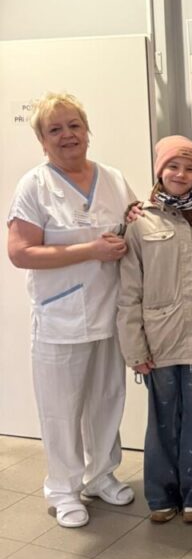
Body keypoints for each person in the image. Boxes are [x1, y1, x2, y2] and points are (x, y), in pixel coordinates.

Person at [7, 92, 135, 528]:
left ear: (87, 130)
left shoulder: (113, 178)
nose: (67, 135)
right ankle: (63, 489)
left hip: (109, 310)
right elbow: (20, 253)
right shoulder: (34, 186)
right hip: (60, 318)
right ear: (42, 140)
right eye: (55, 129)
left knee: (107, 399)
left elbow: (133, 223)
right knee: (61, 410)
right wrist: (89, 250)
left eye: (74, 125)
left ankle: (101, 475)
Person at [117, 136, 192, 524]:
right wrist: (134, 347)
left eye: (190, 168)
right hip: (159, 338)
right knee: (163, 418)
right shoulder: (139, 221)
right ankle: (161, 494)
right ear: (159, 170)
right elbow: (129, 291)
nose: (181, 174)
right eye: (173, 167)